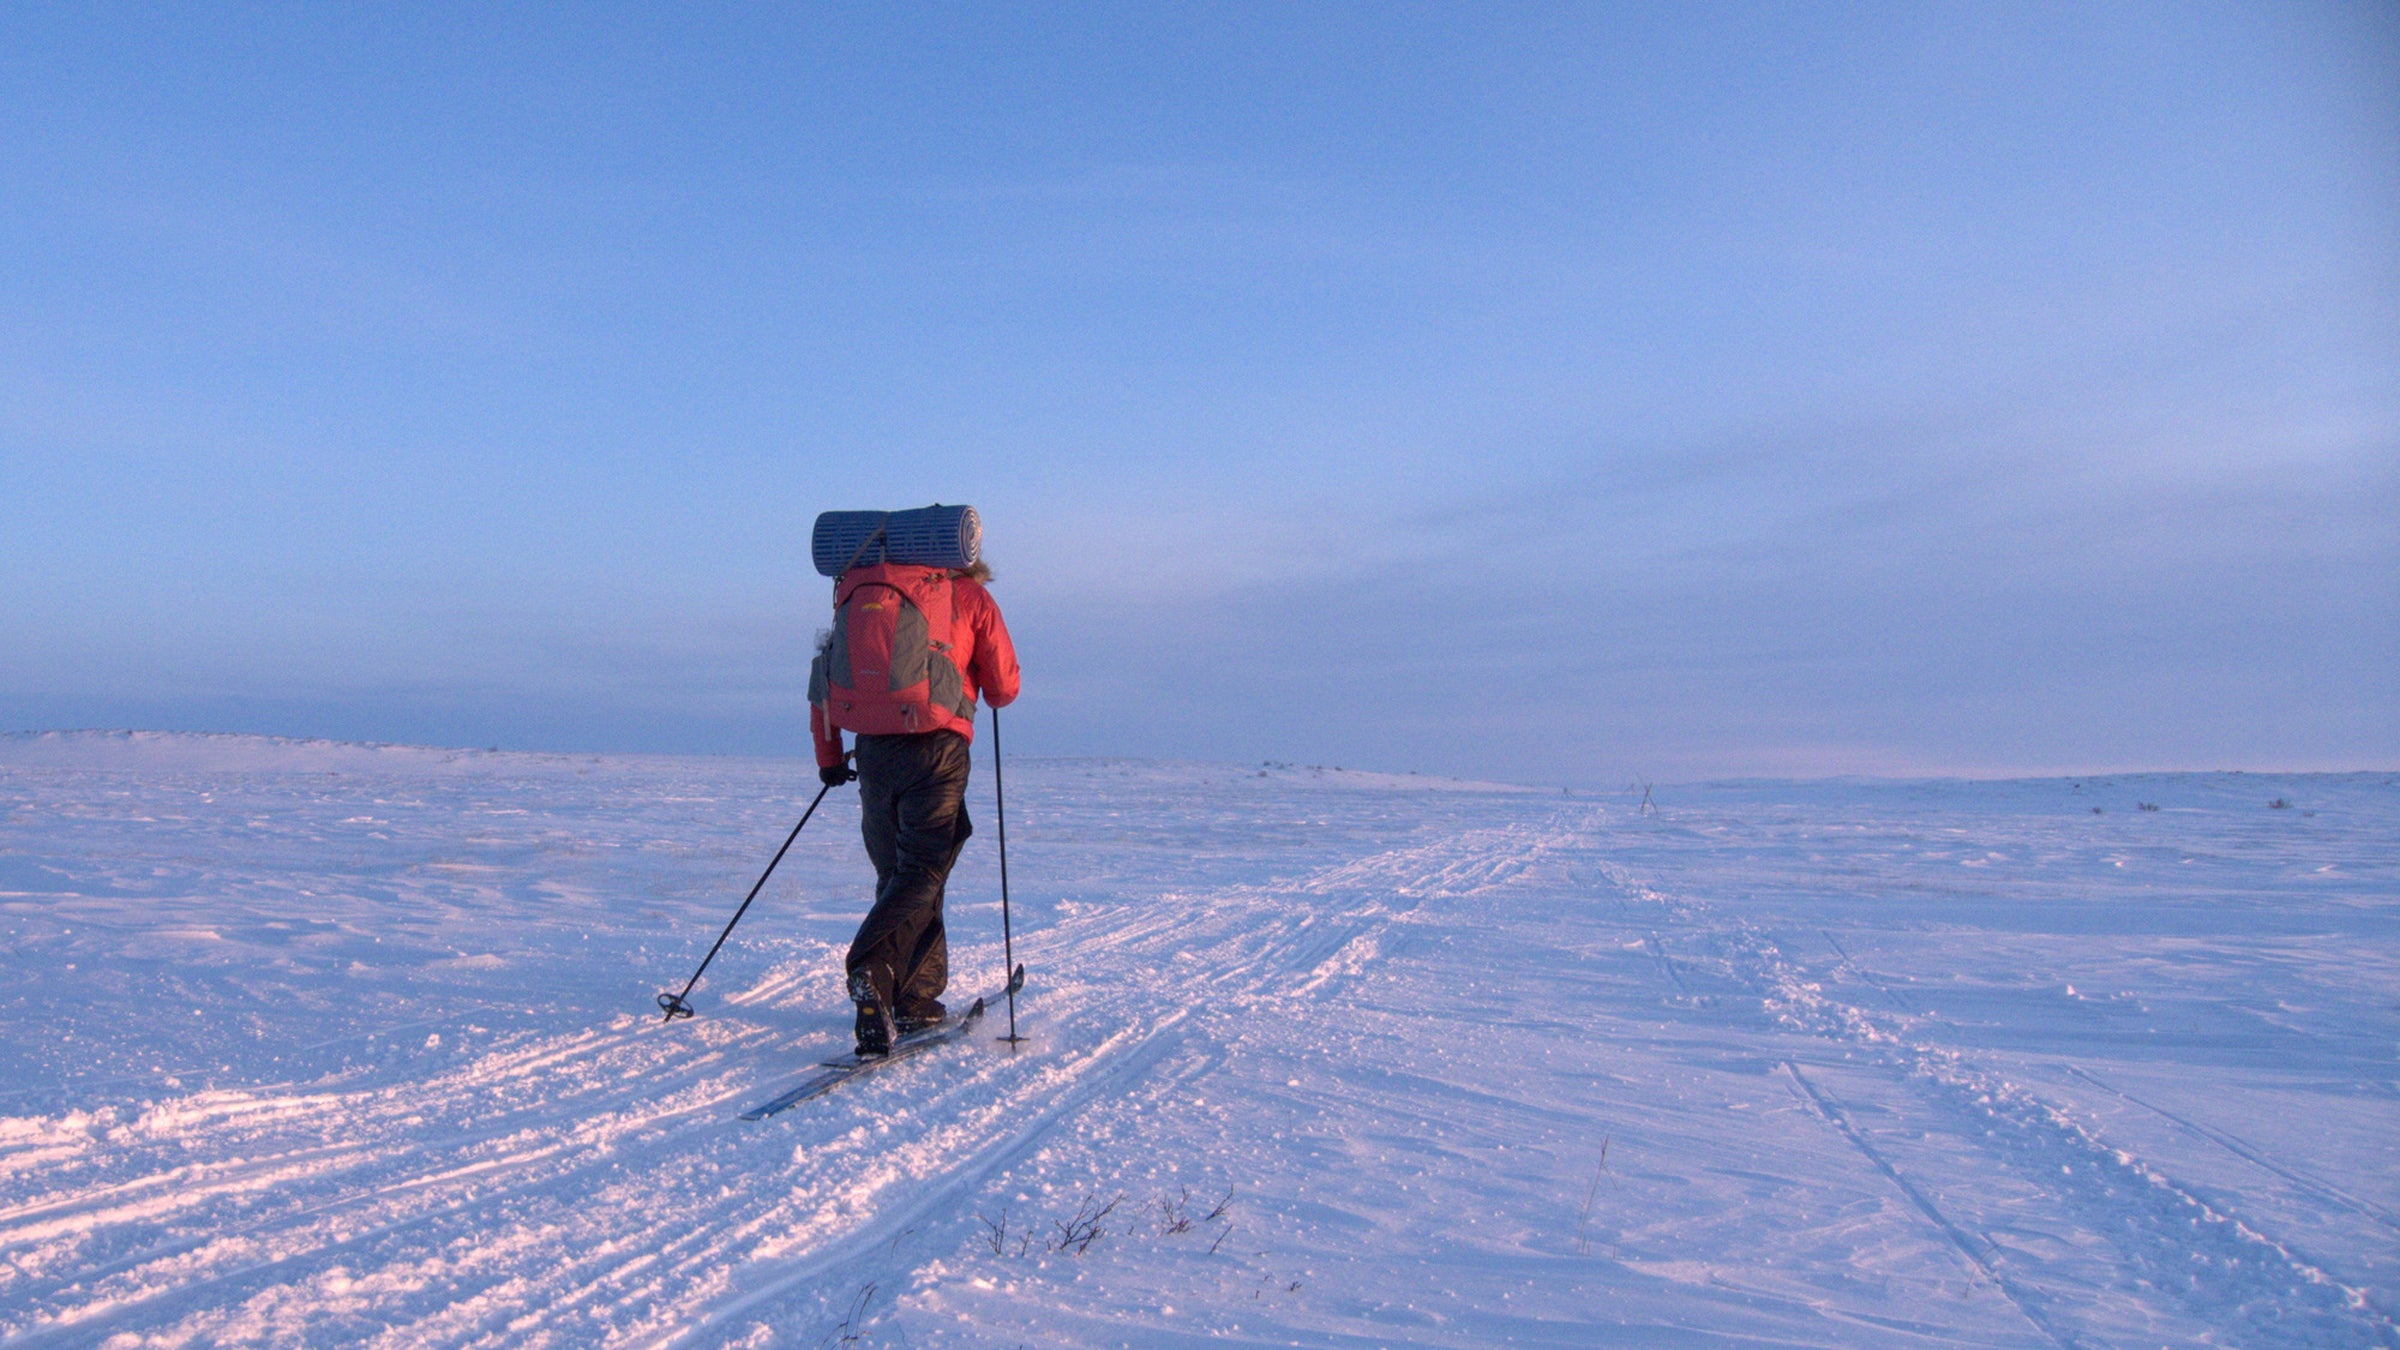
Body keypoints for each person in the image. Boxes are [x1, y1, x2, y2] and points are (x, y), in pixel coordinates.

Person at [811, 560, 1019, 1055]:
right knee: (924, 868)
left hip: (875, 749)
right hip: (937, 748)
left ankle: (914, 998)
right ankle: (874, 968)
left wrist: (829, 758)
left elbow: (824, 679)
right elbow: (1004, 688)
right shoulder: (966, 595)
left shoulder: (860, 594)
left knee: (897, 873)